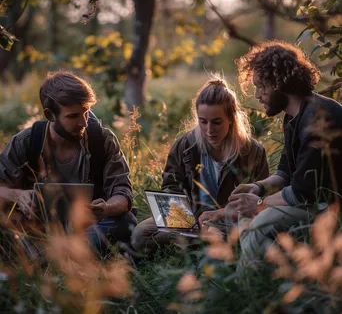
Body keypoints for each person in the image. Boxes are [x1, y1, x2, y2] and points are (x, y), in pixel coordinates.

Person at [203, 40, 342, 265]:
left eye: (261, 86)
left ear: (280, 83)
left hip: (328, 209)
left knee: (260, 222)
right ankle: (229, 271)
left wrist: (258, 204)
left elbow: (300, 193)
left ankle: (247, 290)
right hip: (310, 202)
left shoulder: (319, 118)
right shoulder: (293, 116)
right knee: (241, 217)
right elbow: (286, 171)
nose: (257, 95)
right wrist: (258, 187)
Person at [0, 71, 136, 256]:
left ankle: (54, 254)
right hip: (36, 228)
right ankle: (68, 253)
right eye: (73, 116)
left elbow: (123, 193)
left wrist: (106, 208)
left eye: (86, 113)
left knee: (125, 221)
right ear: (50, 115)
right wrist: (19, 195)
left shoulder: (102, 140)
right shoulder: (25, 142)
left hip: (89, 227)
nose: (84, 122)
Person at [130, 74, 269, 254]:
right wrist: (187, 219)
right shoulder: (184, 145)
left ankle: (206, 245)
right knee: (140, 235)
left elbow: (260, 201)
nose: (209, 130)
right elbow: (171, 187)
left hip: (232, 219)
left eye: (217, 122)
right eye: (203, 122)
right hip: (192, 221)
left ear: (232, 118)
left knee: (251, 231)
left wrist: (224, 215)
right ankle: (209, 243)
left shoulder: (253, 151)